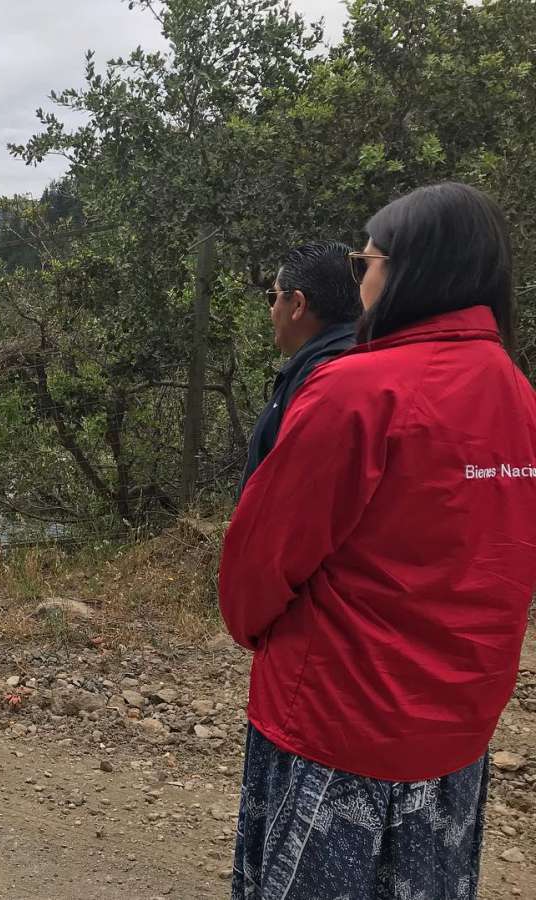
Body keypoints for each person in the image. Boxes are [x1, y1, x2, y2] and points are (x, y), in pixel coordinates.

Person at [219, 182, 536, 899]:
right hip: (455, 735)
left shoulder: (356, 391)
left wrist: (256, 633)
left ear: (410, 269)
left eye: (366, 260)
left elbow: (259, 564)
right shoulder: (518, 395)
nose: (359, 277)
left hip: (336, 723)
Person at [239, 241, 360, 495]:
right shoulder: (362, 358)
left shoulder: (321, 382)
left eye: (273, 297)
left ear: (297, 305)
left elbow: (300, 495)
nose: (271, 310)